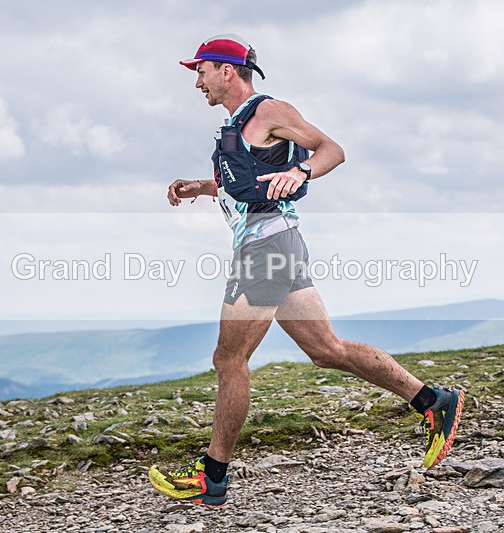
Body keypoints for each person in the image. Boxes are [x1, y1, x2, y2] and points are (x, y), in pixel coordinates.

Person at [149, 34, 464, 507]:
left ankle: (212, 475)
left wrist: (303, 173)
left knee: (228, 360)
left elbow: (331, 149)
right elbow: (249, 180)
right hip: (279, 248)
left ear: (227, 70)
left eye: (202, 71)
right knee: (326, 349)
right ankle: (433, 402)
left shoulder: (269, 111)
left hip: (267, 249)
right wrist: (204, 187)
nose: (198, 81)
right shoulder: (237, 124)